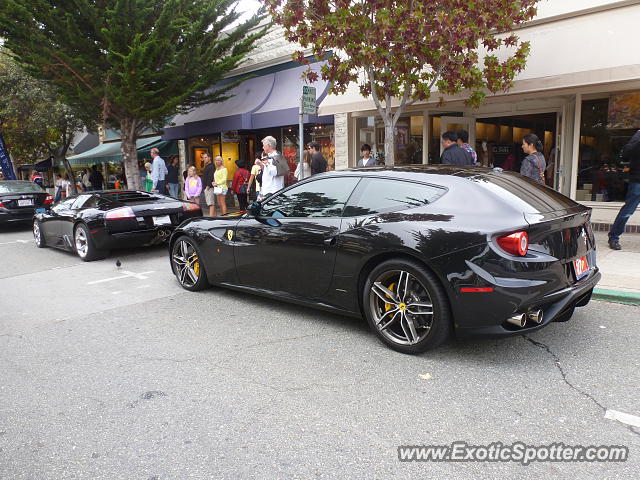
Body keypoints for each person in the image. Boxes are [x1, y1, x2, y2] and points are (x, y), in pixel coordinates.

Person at [608, 129, 640, 250]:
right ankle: (614, 237)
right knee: (628, 211)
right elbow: (626, 152)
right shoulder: (638, 135)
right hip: (638, 181)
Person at [257, 136, 286, 201]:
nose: (263, 147)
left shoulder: (275, 157)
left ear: (268, 145)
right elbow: (268, 173)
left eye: (264, 145)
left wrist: (267, 164)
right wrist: (261, 164)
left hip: (272, 192)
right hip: (271, 191)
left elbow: (275, 172)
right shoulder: (276, 156)